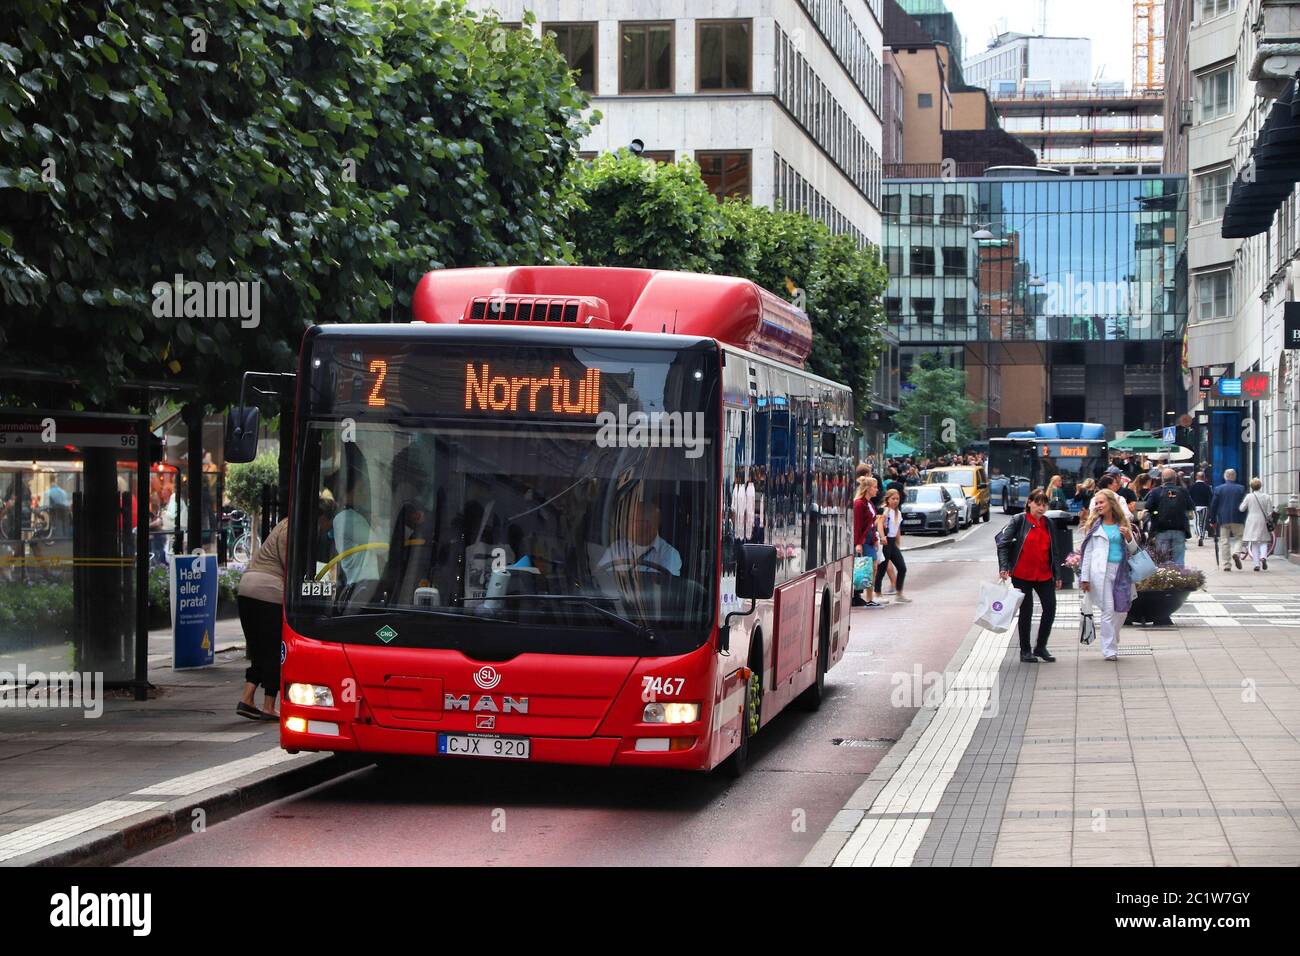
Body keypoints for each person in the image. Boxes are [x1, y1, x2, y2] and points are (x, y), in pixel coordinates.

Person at [995, 489, 1064, 663]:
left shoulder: (1048, 523)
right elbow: (1003, 544)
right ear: (1029, 503)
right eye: (1037, 504)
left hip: (1044, 574)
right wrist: (1004, 566)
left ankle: (1041, 647)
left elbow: (1055, 551)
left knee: (1050, 608)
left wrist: (1058, 574)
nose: (1041, 508)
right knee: (1026, 611)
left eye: (1044, 504)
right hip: (1022, 573)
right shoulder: (1019, 520)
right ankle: (1025, 650)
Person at [236, 517, 288, 720]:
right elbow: (289, 564)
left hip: (246, 589)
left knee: (259, 648)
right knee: (275, 649)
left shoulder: (282, 524)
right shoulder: (291, 527)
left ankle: (247, 699)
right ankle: (268, 705)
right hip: (269, 592)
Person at [1078, 489, 1139, 662]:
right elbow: (1087, 553)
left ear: (1111, 503)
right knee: (1108, 610)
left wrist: (1129, 537)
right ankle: (1109, 649)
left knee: (1122, 611)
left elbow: (1134, 550)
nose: (1098, 506)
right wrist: (1085, 577)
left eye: (1101, 502)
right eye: (1096, 503)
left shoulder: (1123, 524)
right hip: (1100, 573)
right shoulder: (1094, 527)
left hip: (1121, 572)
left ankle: (1113, 634)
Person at [597, 496, 682, 575]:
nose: (626, 524)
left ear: (648, 525)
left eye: (631, 520)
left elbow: (665, 588)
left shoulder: (670, 555)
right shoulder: (617, 547)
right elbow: (598, 575)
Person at [1145, 468, 1193, 565]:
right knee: (1179, 559)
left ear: (1162, 479)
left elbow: (1148, 507)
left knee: (1162, 560)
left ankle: (1165, 578)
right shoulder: (1183, 491)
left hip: (1161, 529)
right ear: (1175, 479)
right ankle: (1179, 577)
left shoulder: (1155, 492)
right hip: (1179, 529)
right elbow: (1191, 506)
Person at [873, 487, 909, 603]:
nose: (895, 501)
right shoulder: (885, 510)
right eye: (893, 498)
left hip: (892, 542)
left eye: (897, 499)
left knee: (902, 567)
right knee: (882, 569)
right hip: (885, 541)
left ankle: (899, 593)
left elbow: (897, 529)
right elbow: (879, 524)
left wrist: (898, 543)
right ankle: (877, 593)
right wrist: (883, 537)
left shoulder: (898, 512)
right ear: (887, 499)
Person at [853, 476, 884, 608]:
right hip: (864, 540)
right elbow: (858, 525)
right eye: (874, 487)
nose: (877, 490)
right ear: (868, 488)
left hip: (870, 538)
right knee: (867, 568)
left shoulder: (869, 503)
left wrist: (876, 539)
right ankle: (863, 596)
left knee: (873, 567)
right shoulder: (859, 504)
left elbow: (871, 523)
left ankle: (869, 598)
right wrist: (858, 543)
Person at [1209, 468, 1247, 571]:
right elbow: (1245, 504)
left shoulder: (1218, 489)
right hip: (1238, 518)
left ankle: (1226, 564)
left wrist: (1212, 520)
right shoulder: (1241, 488)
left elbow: (1213, 505)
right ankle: (1236, 552)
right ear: (1234, 477)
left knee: (1224, 541)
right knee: (1240, 537)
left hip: (1223, 519)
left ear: (1225, 477)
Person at [1239, 478, 1273, 571]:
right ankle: (1263, 557)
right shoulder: (1267, 496)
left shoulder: (1249, 496)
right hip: (1263, 520)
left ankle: (1256, 564)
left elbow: (1242, 508)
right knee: (1263, 541)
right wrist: (1269, 519)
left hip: (1251, 521)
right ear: (1260, 486)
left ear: (1251, 487)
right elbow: (1270, 511)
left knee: (1254, 543)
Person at [1188, 471, 1212, 547]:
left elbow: (1189, 497)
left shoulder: (1192, 487)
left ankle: (1199, 536)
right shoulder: (1207, 487)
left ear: (1196, 477)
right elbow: (1210, 497)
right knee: (1203, 522)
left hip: (1195, 507)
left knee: (1197, 522)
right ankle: (1202, 535)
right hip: (1204, 506)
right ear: (1204, 477)